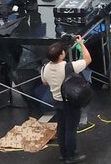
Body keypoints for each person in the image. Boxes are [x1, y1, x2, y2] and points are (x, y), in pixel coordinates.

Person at [41, 35, 89, 163]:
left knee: (61, 129)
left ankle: (63, 154)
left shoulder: (45, 68)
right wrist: (81, 44)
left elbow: (45, 82)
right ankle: (72, 155)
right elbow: (88, 59)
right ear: (61, 55)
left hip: (57, 101)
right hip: (70, 103)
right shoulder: (69, 67)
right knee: (71, 130)